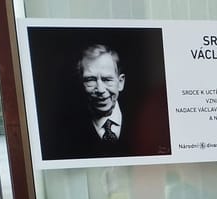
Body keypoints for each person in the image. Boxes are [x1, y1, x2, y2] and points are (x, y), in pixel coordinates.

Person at [40, 44, 170, 160]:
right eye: (90, 80)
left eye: (107, 79)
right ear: (81, 83)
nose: (100, 90)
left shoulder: (146, 121)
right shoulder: (66, 135)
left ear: (120, 82)